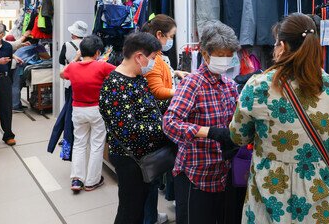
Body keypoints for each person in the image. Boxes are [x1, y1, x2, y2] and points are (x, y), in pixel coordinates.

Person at [229, 13, 329, 223]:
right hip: (319, 206)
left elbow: (238, 136)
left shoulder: (258, 87)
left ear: (282, 46)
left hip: (269, 204)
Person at [163, 21, 241, 224]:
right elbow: (169, 123)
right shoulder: (192, 83)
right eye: (220, 55)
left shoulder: (229, 85)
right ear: (205, 54)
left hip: (222, 173)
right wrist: (209, 132)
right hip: (195, 173)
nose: (225, 60)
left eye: (229, 55)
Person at [99, 32, 168, 224]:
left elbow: (150, 107)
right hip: (130, 160)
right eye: (153, 58)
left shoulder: (137, 78)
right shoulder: (115, 85)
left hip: (144, 157)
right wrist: (167, 126)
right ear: (139, 56)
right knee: (130, 211)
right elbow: (130, 130)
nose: (154, 63)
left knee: (139, 207)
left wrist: (175, 103)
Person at [141, 15, 188, 224]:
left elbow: (159, 78)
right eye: (171, 36)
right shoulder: (152, 58)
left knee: (154, 172)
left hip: (157, 118)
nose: (171, 40)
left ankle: (150, 215)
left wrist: (175, 73)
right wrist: (182, 92)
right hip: (156, 119)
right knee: (153, 171)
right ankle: (149, 217)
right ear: (160, 34)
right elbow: (157, 90)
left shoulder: (157, 56)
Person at [60, 35, 115, 193]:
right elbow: (119, 73)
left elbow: (62, 74)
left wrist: (75, 58)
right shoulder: (102, 66)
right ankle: (92, 181)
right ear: (97, 52)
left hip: (78, 110)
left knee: (79, 143)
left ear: (81, 51)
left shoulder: (73, 67)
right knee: (96, 145)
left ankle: (77, 179)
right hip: (97, 110)